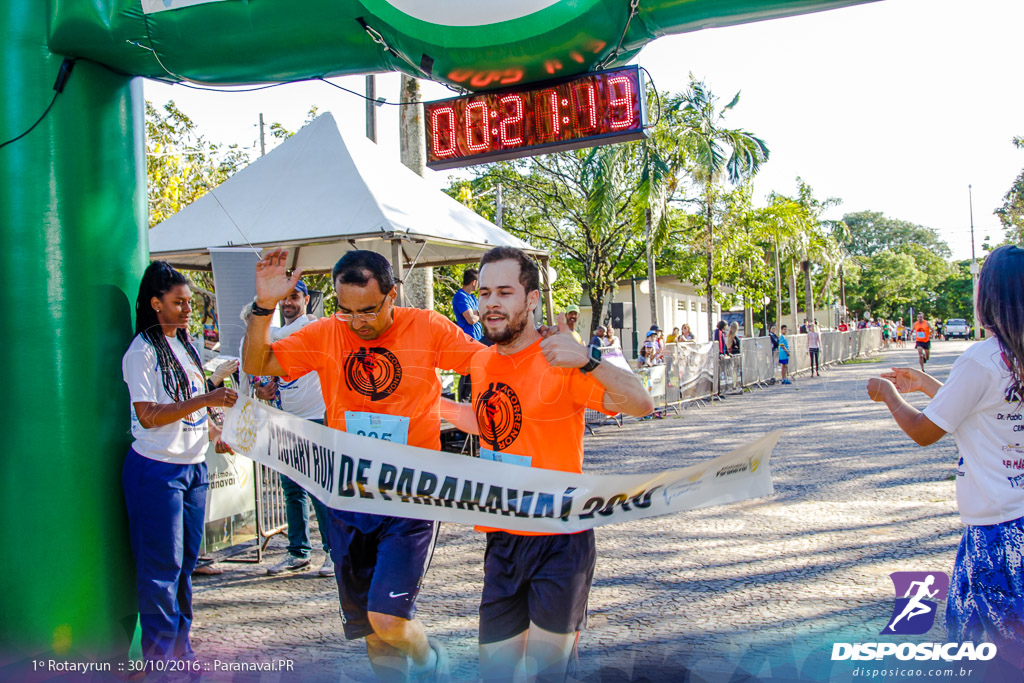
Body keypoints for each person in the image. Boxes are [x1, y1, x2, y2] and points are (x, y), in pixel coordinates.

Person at [243, 248, 485, 682]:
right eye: (346, 310)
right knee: (369, 629)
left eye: (369, 310)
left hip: (411, 495)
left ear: (392, 295)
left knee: (388, 617)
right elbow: (257, 362)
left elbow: (486, 362)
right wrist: (264, 305)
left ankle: (431, 663)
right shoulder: (325, 333)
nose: (357, 322)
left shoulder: (426, 327)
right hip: (348, 497)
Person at [456, 246, 653, 682]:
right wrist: (432, 409)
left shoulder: (561, 358)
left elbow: (642, 403)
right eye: (485, 292)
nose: (491, 302)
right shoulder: (482, 361)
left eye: (505, 292)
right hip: (502, 537)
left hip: (561, 538)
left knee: (547, 673)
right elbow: (494, 425)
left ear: (530, 299)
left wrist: (588, 359)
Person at [866, 245, 1024, 671]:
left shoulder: (980, 359)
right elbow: (993, 412)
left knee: (990, 658)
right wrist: (932, 386)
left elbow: (924, 432)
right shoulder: (1013, 357)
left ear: (988, 296)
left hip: (995, 533)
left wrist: (889, 394)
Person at [121, 261, 238, 661]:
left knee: (185, 566)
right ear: (155, 303)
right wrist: (207, 398)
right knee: (161, 570)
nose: (189, 310)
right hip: (156, 470)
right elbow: (149, 414)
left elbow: (192, 408)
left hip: (193, 468)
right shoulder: (141, 351)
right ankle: (161, 661)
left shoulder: (185, 344)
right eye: (179, 302)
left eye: (190, 302)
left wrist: (217, 433)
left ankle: (181, 650)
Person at [263, 280, 335, 578]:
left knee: (321, 491)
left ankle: (333, 553)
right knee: (292, 490)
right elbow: (271, 366)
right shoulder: (280, 335)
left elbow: (273, 337)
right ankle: (298, 552)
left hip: (316, 419)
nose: (288, 302)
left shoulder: (311, 327)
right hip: (287, 418)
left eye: (294, 296)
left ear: (306, 299)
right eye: (284, 298)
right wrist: (266, 385)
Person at [453, 268, 484, 402]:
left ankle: (473, 402)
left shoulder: (472, 298)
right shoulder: (460, 296)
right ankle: (463, 402)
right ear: (474, 282)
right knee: (467, 373)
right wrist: (478, 314)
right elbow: (471, 319)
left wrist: (477, 314)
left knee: (477, 373)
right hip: (467, 341)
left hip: (478, 341)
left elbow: (479, 313)